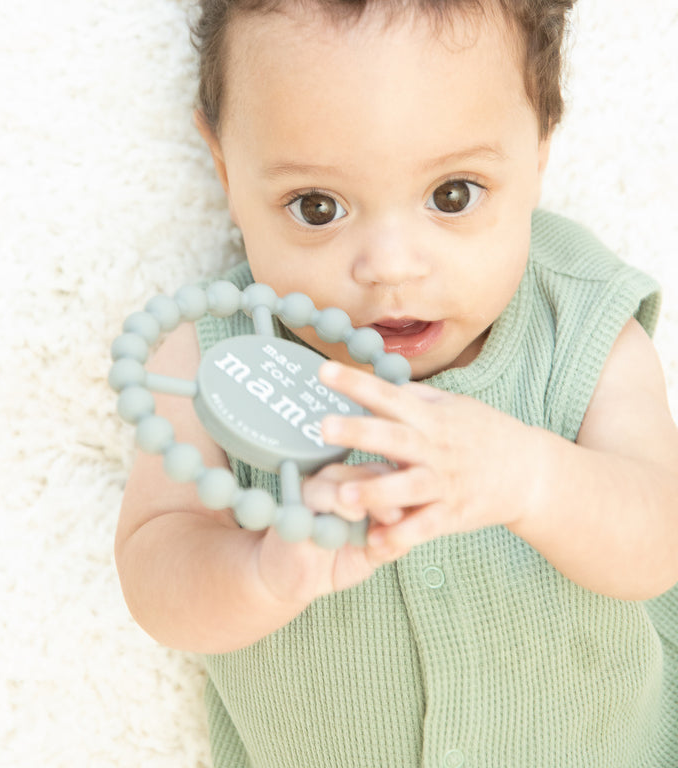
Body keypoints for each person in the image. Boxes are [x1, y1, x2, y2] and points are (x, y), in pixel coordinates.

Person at [115, 0, 678, 765]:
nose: (390, 265)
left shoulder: (579, 323)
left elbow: (659, 540)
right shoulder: (212, 361)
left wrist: (533, 479)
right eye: (317, 208)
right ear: (224, 169)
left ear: (541, 148)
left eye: (453, 195)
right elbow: (156, 569)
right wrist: (259, 572)